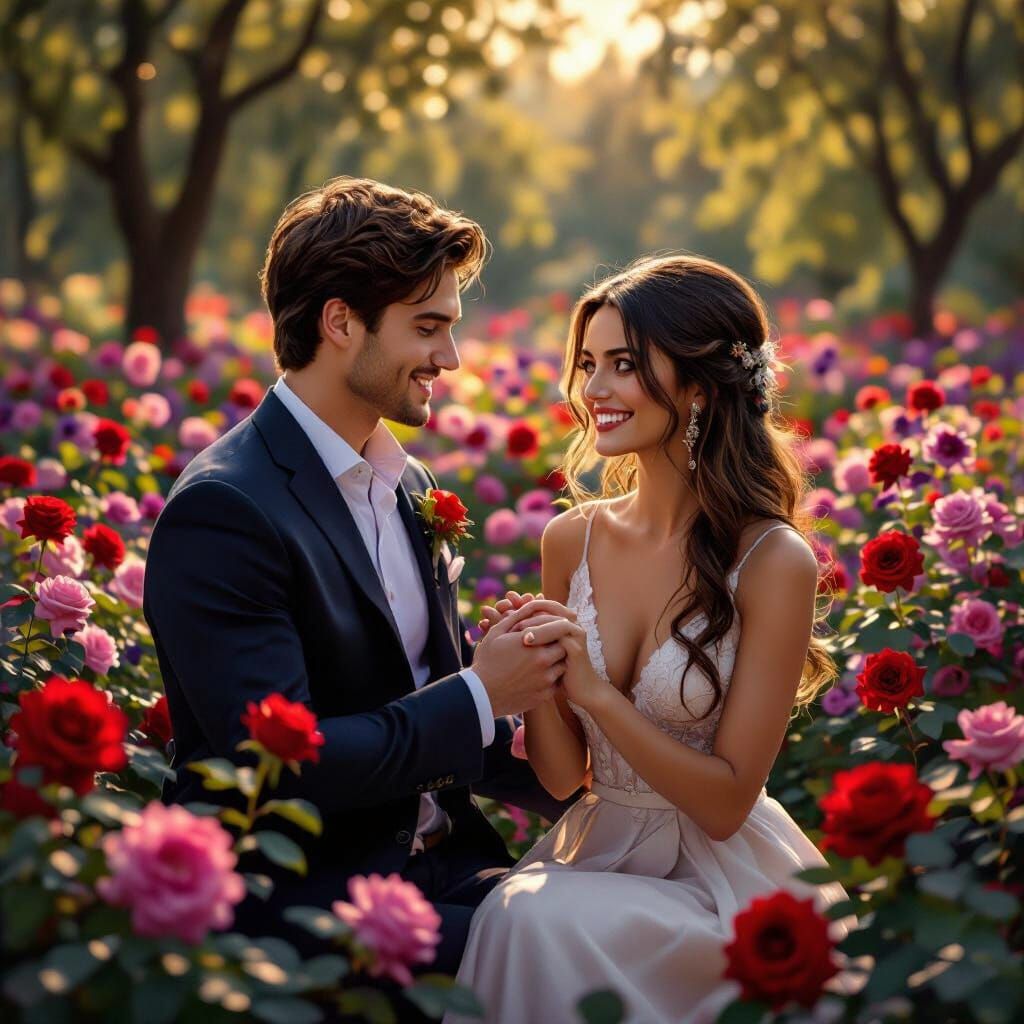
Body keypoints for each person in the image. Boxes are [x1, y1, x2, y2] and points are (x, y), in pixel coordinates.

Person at [143, 177, 575, 976]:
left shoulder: (410, 486)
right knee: (592, 960)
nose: (449, 357)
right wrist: (482, 693)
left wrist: (611, 780)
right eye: (427, 327)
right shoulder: (225, 510)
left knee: (650, 919)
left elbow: (437, 713)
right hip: (312, 904)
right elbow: (285, 765)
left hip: (446, 869)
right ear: (340, 322)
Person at [448, 255, 848, 1023]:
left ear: (699, 385)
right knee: (523, 913)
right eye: (588, 364)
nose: (593, 389)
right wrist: (540, 674)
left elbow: (727, 803)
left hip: (717, 883)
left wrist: (596, 692)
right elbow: (562, 779)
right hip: (595, 853)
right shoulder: (571, 539)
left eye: (624, 365)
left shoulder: (772, 560)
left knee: (529, 919)